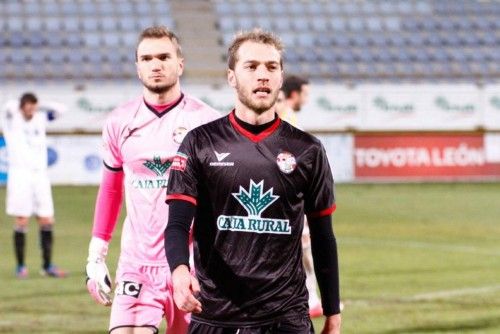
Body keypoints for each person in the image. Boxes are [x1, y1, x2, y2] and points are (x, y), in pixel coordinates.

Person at [165, 29, 341, 333]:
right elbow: (178, 224)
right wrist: (179, 271)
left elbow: (324, 237)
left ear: (281, 77)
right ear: (231, 76)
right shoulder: (200, 143)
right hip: (215, 316)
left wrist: (332, 312)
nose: (263, 75)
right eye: (251, 66)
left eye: (272, 67)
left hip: (286, 318)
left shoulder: (308, 150)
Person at [84, 26, 220, 334]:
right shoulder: (120, 122)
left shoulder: (208, 123)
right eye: (147, 58)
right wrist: (96, 256)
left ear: (180, 64)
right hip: (138, 265)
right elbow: (110, 189)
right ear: (137, 67)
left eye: (163, 57)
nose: (155, 65)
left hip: (194, 267)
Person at [1, 92, 67, 279]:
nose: (31, 110)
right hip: (20, 175)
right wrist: (22, 104)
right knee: (22, 219)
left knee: (46, 219)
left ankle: (47, 266)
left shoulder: (40, 118)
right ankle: (21, 266)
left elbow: (61, 109)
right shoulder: (11, 119)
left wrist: (39, 105)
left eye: (33, 106)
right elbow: (9, 105)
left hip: (40, 176)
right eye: (27, 106)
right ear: (21, 106)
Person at [278, 74, 323, 317]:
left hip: (291, 196)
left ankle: (310, 298)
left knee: (303, 248)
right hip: (289, 198)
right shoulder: (285, 120)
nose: (306, 99)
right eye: (305, 94)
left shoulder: (288, 117)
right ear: (294, 94)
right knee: (301, 247)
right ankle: (308, 299)